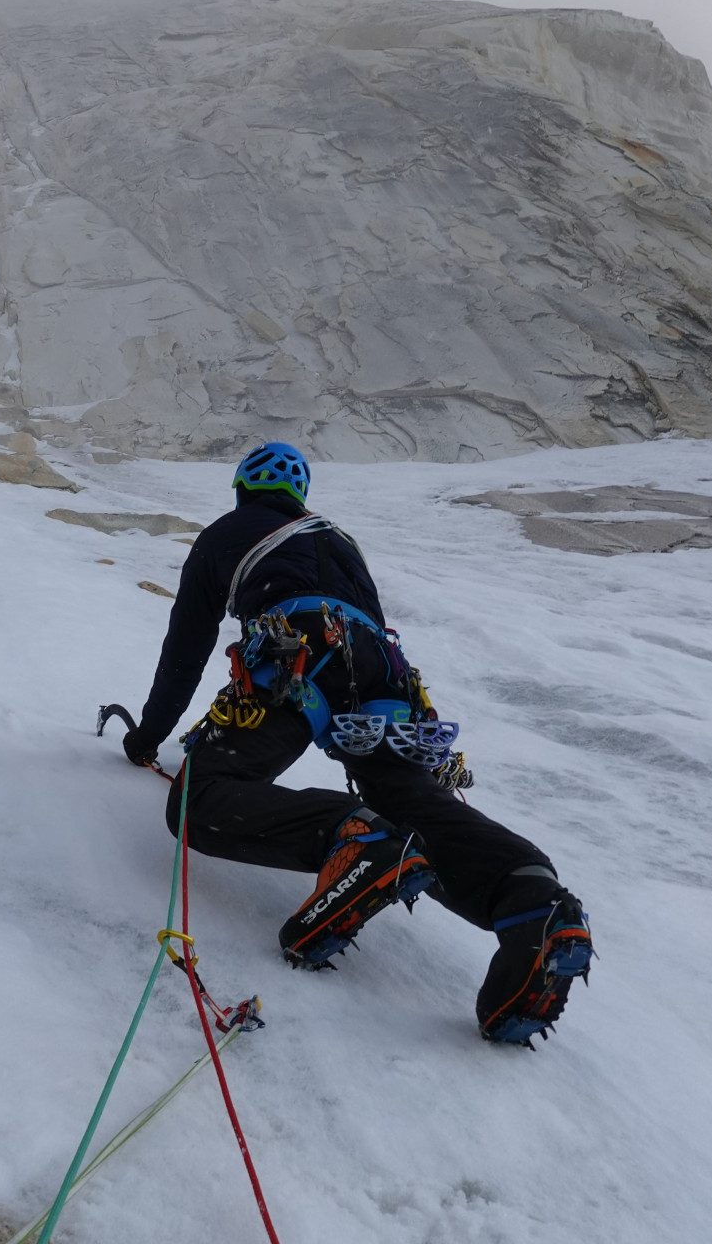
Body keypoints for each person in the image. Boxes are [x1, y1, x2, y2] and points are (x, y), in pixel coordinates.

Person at [118, 442, 592, 1045]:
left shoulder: (227, 532)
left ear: (242, 487)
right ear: (300, 494)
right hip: (385, 676)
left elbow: (186, 645)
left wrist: (149, 735)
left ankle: (353, 839)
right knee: (408, 801)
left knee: (201, 797)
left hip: (300, 655)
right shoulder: (339, 542)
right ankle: (533, 901)